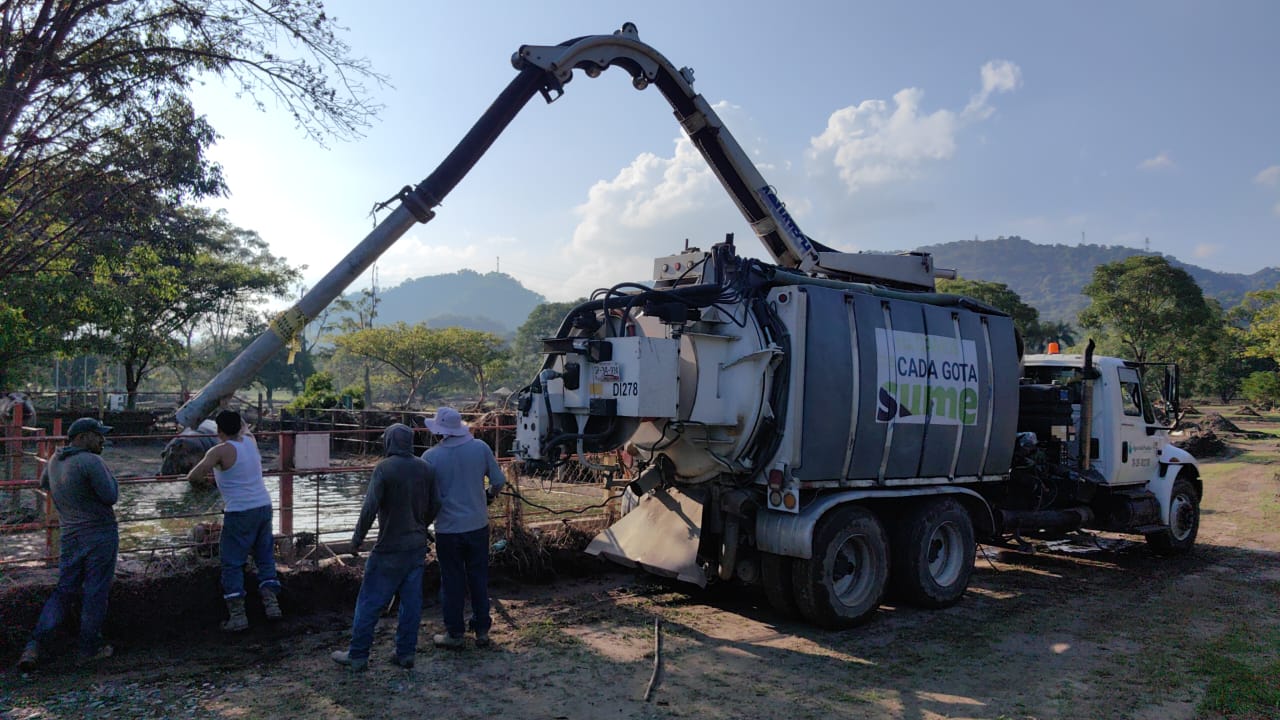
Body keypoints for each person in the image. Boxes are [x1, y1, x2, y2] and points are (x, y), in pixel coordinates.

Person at [331, 423, 440, 671]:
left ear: (389, 442)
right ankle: (405, 653)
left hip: (389, 547)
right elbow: (437, 503)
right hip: (416, 546)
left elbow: (369, 508)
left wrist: (356, 539)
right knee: (411, 603)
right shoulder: (426, 468)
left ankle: (358, 654)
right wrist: (424, 525)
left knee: (370, 601)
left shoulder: (384, 469)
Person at [18, 417, 119, 671]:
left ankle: (35, 645)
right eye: (98, 435)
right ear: (83, 437)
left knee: (64, 590)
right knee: (95, 590)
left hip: (70, 534)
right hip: (98, 534)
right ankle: (89, 648)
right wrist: (110, 475)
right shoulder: (91, 461)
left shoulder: (55, 459)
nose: (102, 440)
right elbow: (111, 496)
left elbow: (43, 484)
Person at [186, 409, 281, 631]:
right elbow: (244, 427)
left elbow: (193, 476)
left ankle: (238, 616)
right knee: (265, 557)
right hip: (263, 506)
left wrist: (209, 483)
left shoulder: (218, 451)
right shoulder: (250, 441)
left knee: (232, 562)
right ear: (239, 427)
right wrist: (227, 404)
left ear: (218, 430)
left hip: (239, 511)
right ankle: (272, 606)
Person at [421, 406, 505, 649]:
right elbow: (498, 481)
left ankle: (455, 633)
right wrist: (488, 496)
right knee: (479, 578)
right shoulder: (480, 448)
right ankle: (481, 631)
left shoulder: (430, 457)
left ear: (439, 431)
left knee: (452, 581)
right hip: (477, 525)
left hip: (447, 529)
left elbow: (426, 497)